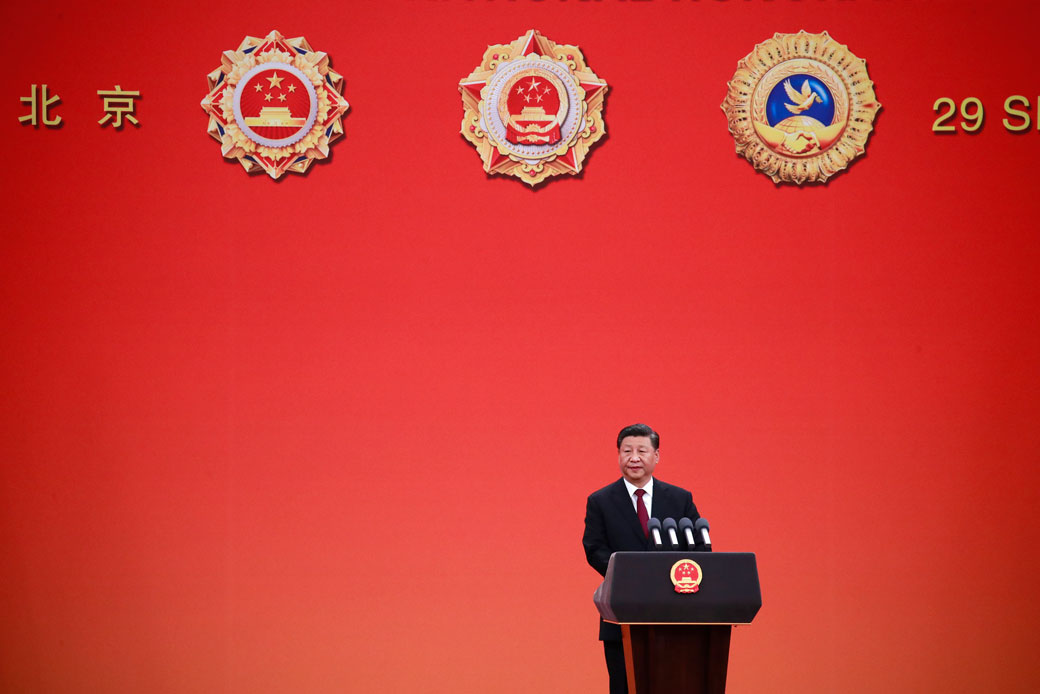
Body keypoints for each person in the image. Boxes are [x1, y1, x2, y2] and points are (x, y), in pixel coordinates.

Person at [582, 423, 702, 694]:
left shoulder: (680, 499)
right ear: (618, 455)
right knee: (625, 686)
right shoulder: (600, 500)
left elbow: (695, 547)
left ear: (656, 456)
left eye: (642, 451)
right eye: (627, 451)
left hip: (674, 612)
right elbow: (594, 548)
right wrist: (628, 576)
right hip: (621, 611)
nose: (634, 457)